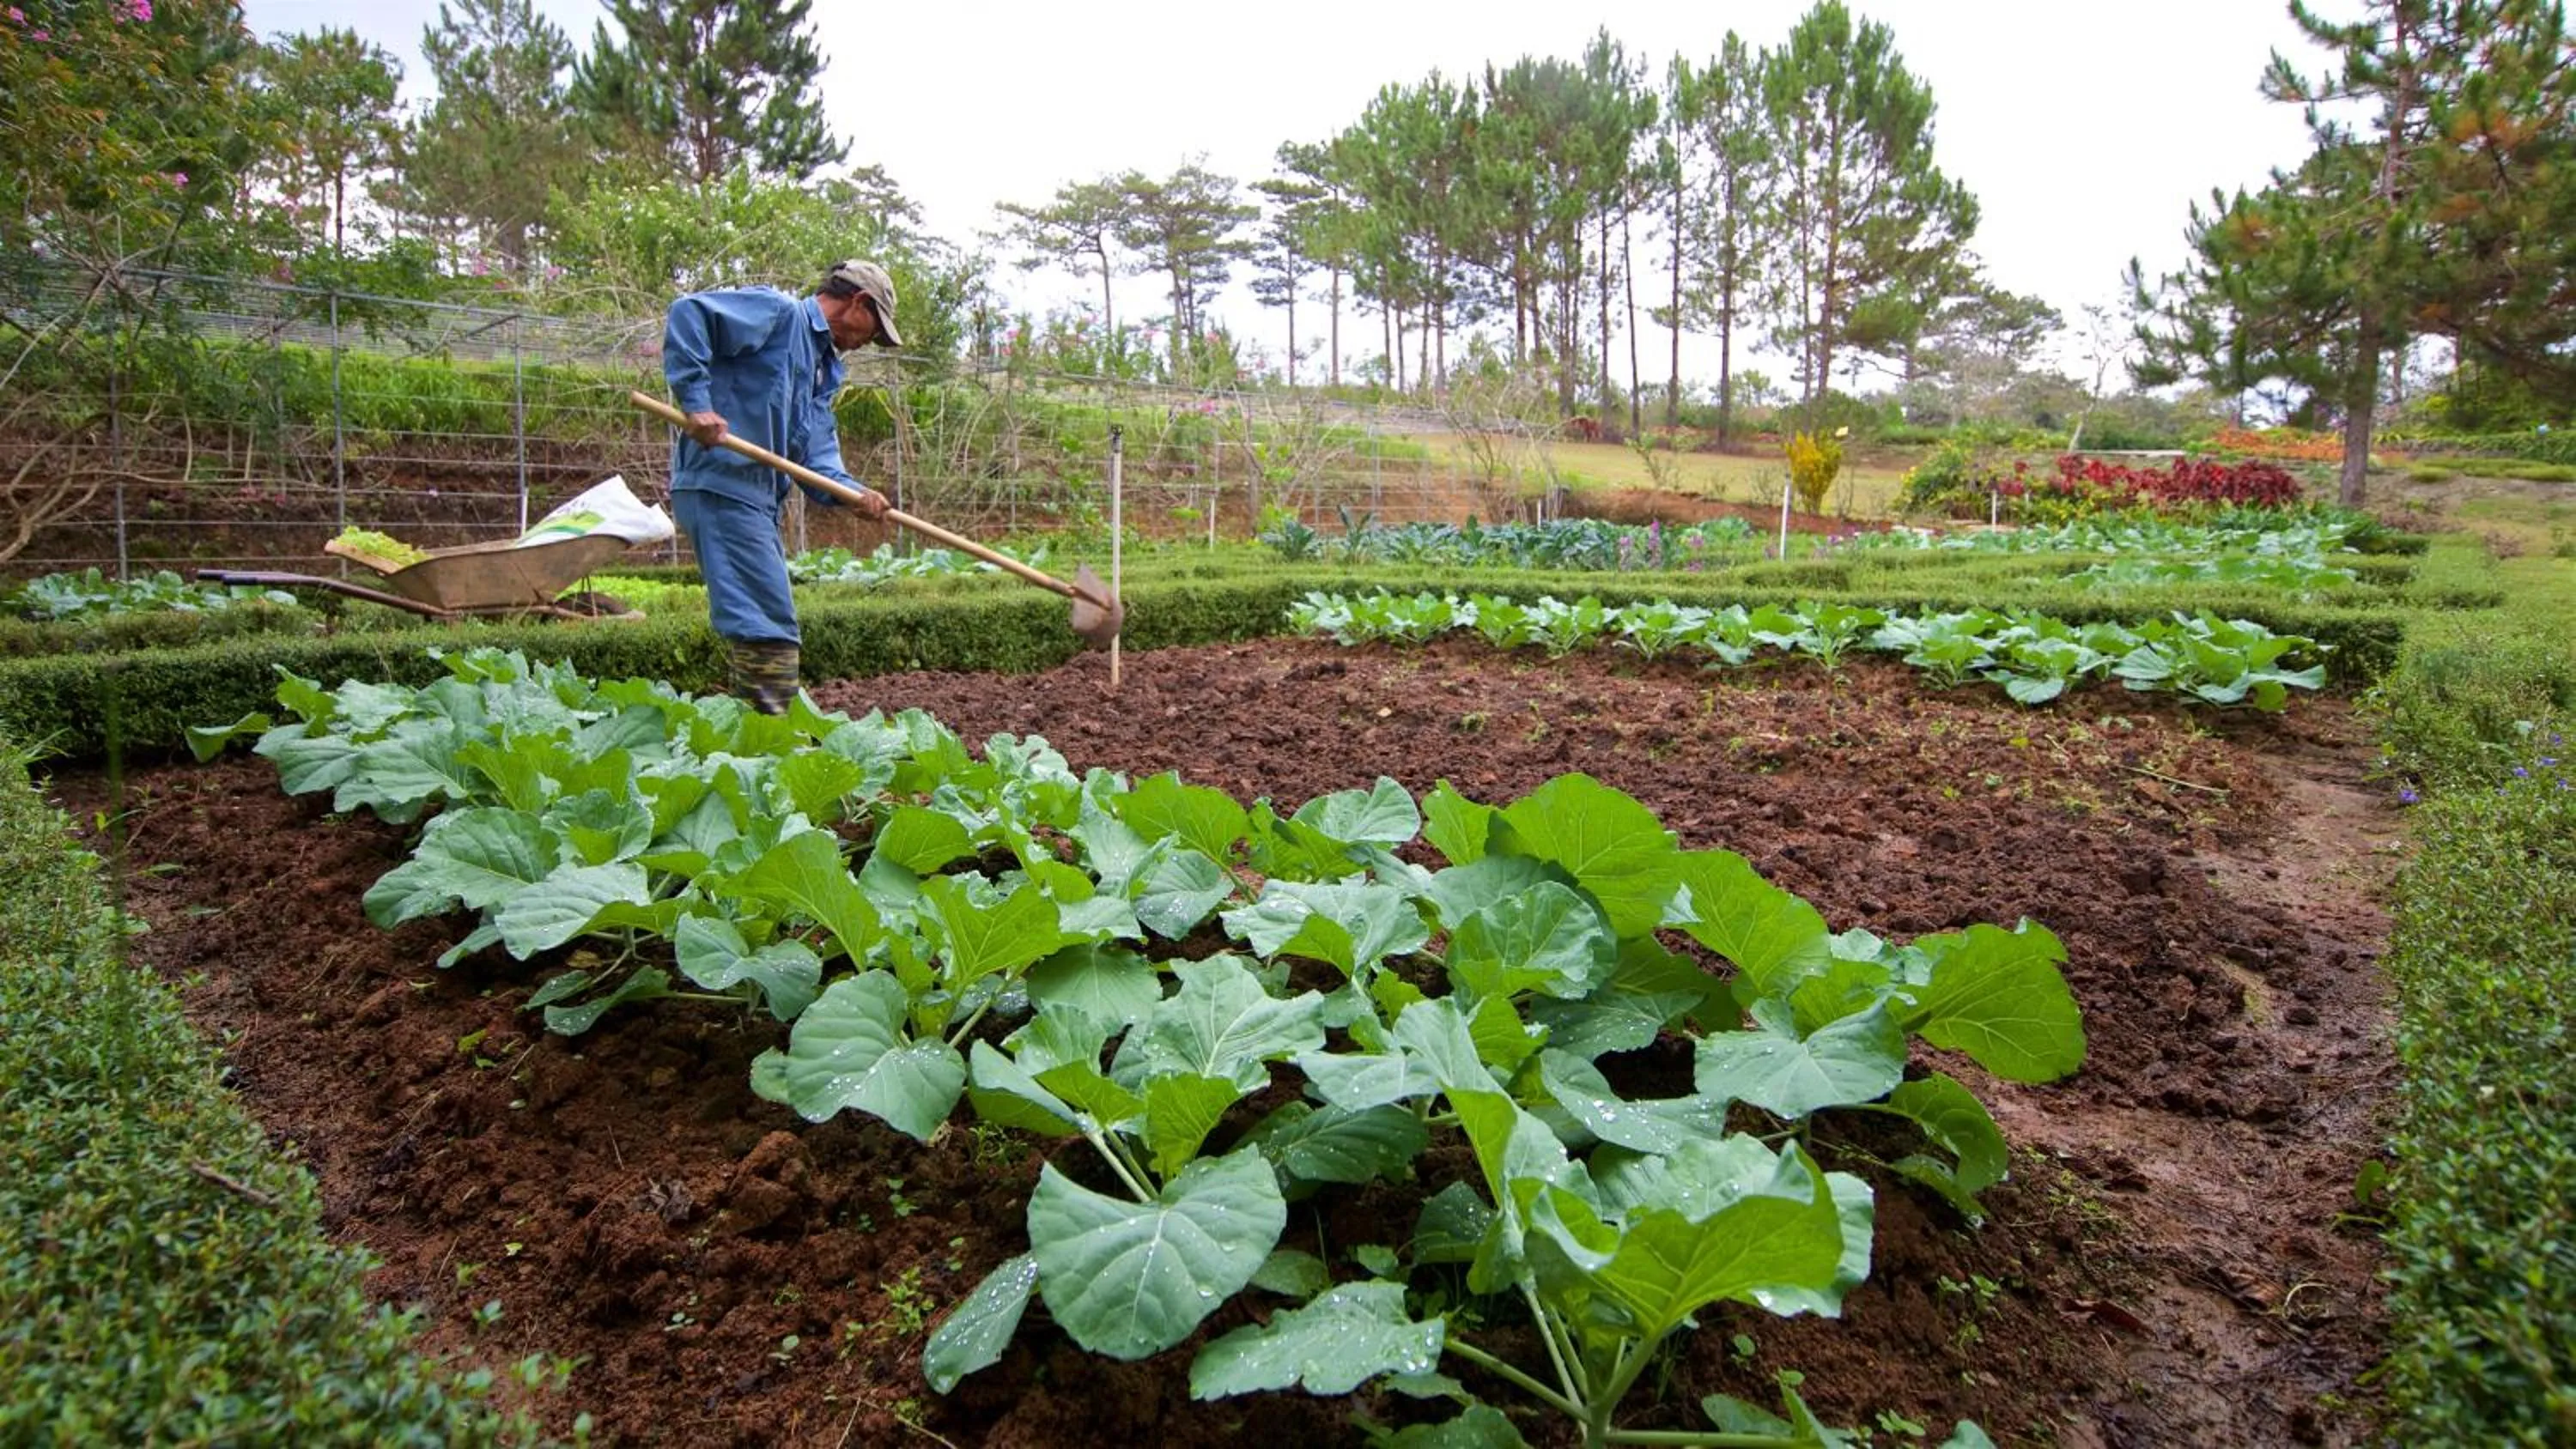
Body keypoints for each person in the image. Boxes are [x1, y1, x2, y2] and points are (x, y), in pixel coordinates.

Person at [662, 258, 902, 712]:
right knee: (767, 622)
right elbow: (688, 313)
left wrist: (853, 494)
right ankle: (767, 744)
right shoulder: (778, 314)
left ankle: (756, 738)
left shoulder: (823, 370)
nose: (869, 341)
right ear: (859, 302)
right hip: (722, 482)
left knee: (764, 617)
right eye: (875, 328)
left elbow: (816, 456)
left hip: (756, 499)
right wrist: (696, 402)